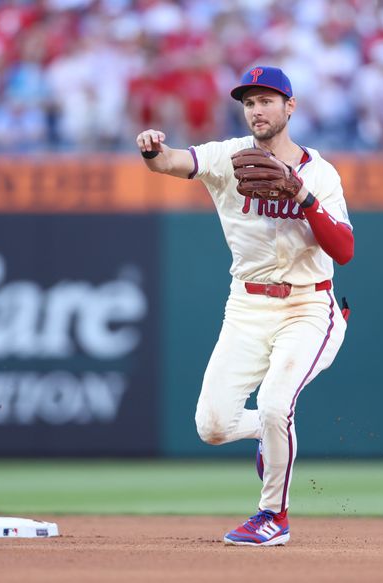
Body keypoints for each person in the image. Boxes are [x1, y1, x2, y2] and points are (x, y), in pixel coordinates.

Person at [136, 66, 354, 546]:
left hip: (309, 306)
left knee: (277, 404)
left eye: (266, 101)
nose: (256, 110)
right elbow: (171, 162)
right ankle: (268, 437)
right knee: (211, 425)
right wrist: (152, 149)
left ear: (289, 106)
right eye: (249, 103)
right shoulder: (228, 156)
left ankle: (273, 515)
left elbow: (343, 250)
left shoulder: (320, 173)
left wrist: (303, 195)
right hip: (247, 306)